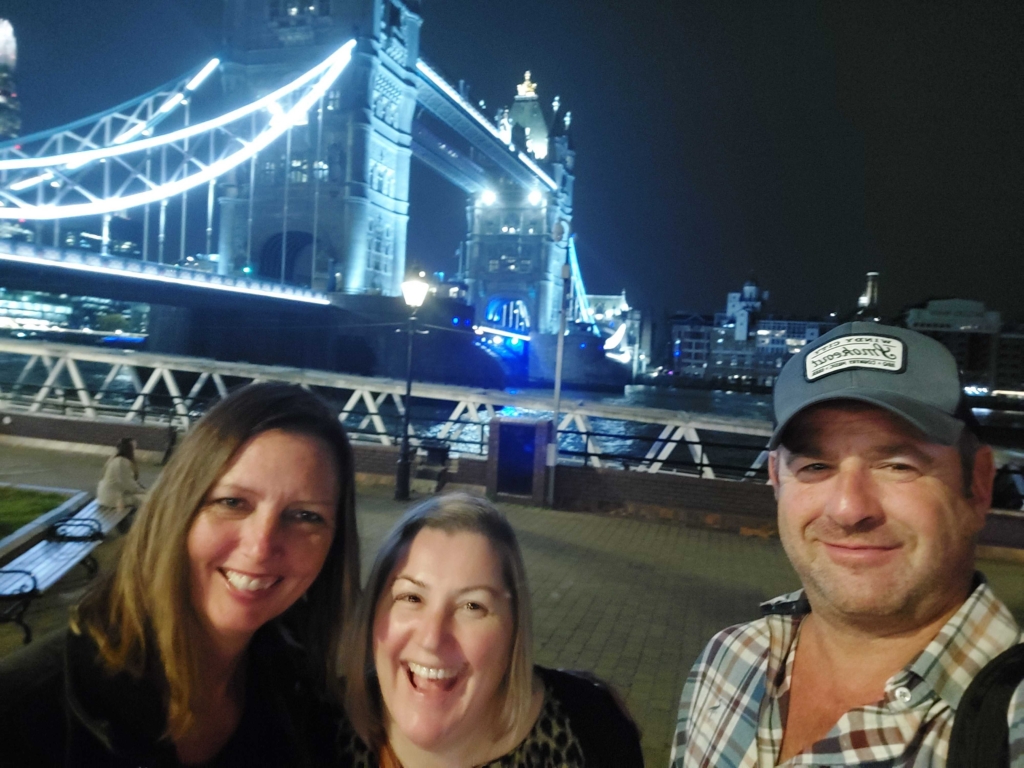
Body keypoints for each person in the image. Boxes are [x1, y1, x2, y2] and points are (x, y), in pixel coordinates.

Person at [671, 322, 1024, 767]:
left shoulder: (1009, 723)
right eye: (816, 465)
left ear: (978, 485)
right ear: (776, 480)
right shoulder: (727, 660)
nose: (848, 508)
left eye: (899, 465)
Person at [0, 382, 361, 766]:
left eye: (306, 515)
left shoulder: (303, 695)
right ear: (178, 509)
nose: (260, 546)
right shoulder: (21, 714)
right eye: (232, 502)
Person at [343, 493, 644, 768]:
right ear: (373, 612)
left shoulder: (593, 730)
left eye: (472, 606)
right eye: (412, 598)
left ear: (514, 631)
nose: (432, 639)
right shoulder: (314, 726)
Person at [96, 436, 146, 513]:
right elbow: (129, 484)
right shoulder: (121, 463)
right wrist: (145, 491)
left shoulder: (115, 460)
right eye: (134, 449)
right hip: (112, 499)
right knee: (148, 500)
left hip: (108, 496)